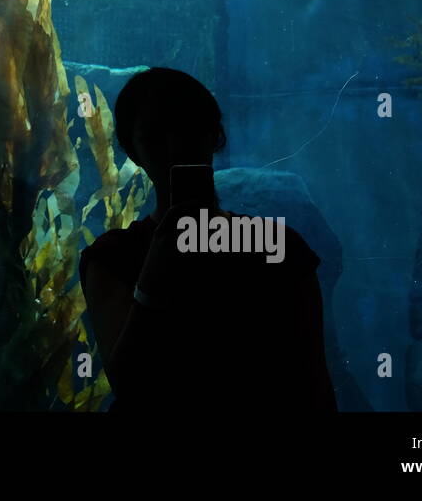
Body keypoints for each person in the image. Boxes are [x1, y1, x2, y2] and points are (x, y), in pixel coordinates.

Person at [79, 67, 337, 412]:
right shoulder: (112, 257)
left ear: (213, 136)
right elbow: (129, 382)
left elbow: (313, 383)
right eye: (155, 136)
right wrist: (156, 270)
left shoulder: (279, 248)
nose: (174, 148)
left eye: (186, 130)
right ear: (133, 151)